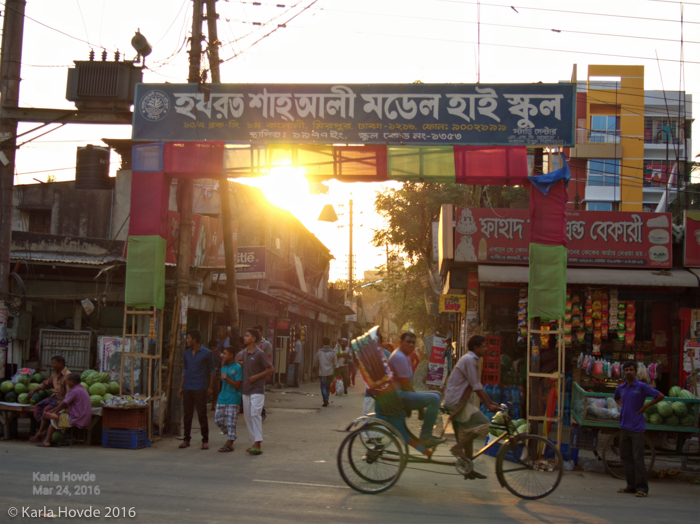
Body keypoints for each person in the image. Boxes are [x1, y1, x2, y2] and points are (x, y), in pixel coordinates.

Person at [444, 335, 500, 479]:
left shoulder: (469, 360)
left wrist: (490, 403)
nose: (486, 349)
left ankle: (469, 468)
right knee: (484, 424)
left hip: (458, 400)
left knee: (469, 432)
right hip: (457, 401)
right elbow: (476, 385)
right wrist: (489, 404)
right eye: (483, 346)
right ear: (476, 348)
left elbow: (475, 385)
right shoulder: (469, 360)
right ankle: (457, 448)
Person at [614, 361, 664, 497]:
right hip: (624, 426)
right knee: (625, 457)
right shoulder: (621, 388)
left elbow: (660, 396)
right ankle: (630, 486)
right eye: (627, 370)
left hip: (637, 428)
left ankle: (642, 488)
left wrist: (644, 407)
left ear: (635, 372)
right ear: (624, 372)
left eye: (631, 370)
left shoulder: (641, 386)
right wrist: (623, 406)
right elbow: (616, 398)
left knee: (638, 459)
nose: (629, 372)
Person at [387, 332, 443, 449]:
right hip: (399, 396)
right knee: (434, 399)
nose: (411, 345)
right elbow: (406, 385)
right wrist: (420, 407)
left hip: (402, 393)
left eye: (413, 343)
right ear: (401, 343)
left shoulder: (405, 355)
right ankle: (425, 437)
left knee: (437, 394)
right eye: (408, 342)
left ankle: (426, 435)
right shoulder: (400, 357)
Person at [238, 328, 274, 455]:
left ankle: (258, 443)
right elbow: (246, 366)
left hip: (257, 389)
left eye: (247, 336)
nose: (244, 338)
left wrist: (257, 377)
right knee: (247, 416)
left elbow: (271, 369)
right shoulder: (244, 353)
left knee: (255, 414)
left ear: (253, 339)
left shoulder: (259, 353)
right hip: (246, 389)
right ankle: (254, 442)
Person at [178, 329, 216, 450]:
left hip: (200, 387)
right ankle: (186, 439)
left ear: (195, 339)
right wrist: (181, 387)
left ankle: (205, 440)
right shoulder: (187, 353)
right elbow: (184, 369)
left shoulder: (207, 353)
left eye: (188, 338)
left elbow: (212, 370)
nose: (187, 340)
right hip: (188, 387)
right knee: (187, 415)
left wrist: (210, 387)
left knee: (202, 414)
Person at [36, 373, 91, 447]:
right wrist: (54, 410)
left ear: (72, 382)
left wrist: (55, 412)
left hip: (77, 417)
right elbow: (65, 405)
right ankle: (45, 434)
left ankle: (47, 441)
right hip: (83, 415)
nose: (67, 383)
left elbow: (64, 404)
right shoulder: (82, 388)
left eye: (67, 381)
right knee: (59, 413)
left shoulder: (74, 391)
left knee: (53, 421)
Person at [29, 356, 70, 443]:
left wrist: (63, 402)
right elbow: (45, 384)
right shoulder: (55, 375)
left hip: (61, 400)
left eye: (54, 363)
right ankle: (45, 429)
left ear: (61, 363)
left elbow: (69, 393)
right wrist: (34, 390)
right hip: (53, 397)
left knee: (47, 410)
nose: (52, 365)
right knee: (37, 407)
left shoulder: (67, 375)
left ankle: (40, 433)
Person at [215, 346, 243, 453]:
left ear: (231, 355)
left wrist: (227, 378)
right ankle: (231, 434)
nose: (223, 355)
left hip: (233, 398)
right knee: (218, 420)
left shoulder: (237, 368)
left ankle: (230, 442)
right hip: (222, 397)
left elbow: (238, 384)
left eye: (225, 354)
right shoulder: (223, 366)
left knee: (232, 422)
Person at [254, 324, 273, 419]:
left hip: (262, 373)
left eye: (258, 332)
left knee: (259, 393)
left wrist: (268, 374)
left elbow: (269, 360)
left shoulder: (266, 344)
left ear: (261, 333)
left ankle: (262, 411)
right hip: (251, 372)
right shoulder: (251, 344)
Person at [313, 337, 336, 407]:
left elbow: (315, 361)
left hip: (322, 372)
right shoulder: (333, 352)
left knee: (323, 386)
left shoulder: (319, 352)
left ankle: (325, 399)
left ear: (323, 343)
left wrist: (314, 367)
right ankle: (327, 399)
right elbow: (336, 363)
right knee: (327, 386)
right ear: (329, 343)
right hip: (330, 372)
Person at [208, 338, 222, 412]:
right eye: (211, 348)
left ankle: (214, 404)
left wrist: (218, 367)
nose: (213, 350)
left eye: (214, 348)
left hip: (217, 373)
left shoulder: (218, 353)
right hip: (208, 373)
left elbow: (221, 362)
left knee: (216, 389)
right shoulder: (207, 353)